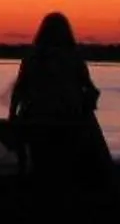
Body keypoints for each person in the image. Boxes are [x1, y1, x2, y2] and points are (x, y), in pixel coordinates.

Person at [10, 11, 111, 187]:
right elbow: (90, 89)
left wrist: (13, 117)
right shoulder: (73, 57)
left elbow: (18, 92)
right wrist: (85, 104)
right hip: (68, 129)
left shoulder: (31, 58)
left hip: (34, 128)